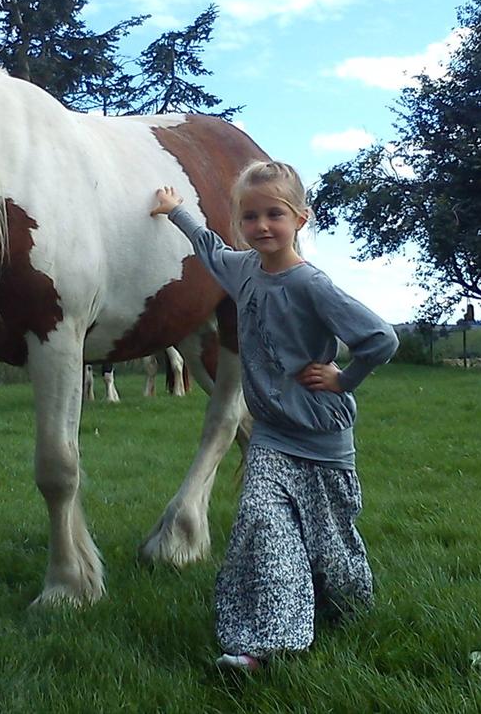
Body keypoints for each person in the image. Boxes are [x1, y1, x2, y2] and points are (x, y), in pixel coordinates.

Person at [150, 160, 399, 672]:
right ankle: (265, 645)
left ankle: (346, 607)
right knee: (263, 524)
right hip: (269, 436)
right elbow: (209, 247)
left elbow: (380, 339)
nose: (261, 226)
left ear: (300, 219)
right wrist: (176, 211)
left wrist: (344, 380)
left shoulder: (312, 285)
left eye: (274, 215)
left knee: (330, 544)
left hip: (322, 437)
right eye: (250, 216)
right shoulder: (242, 270)